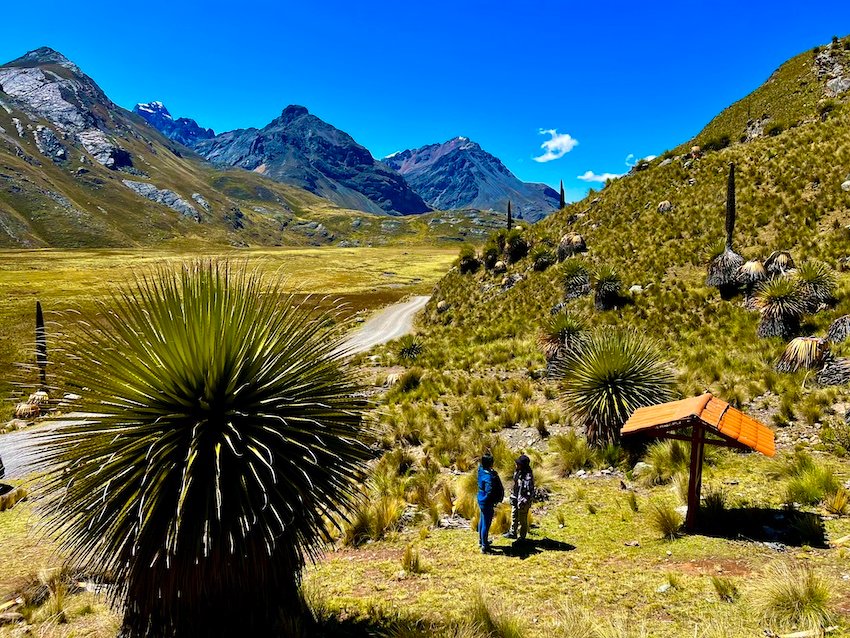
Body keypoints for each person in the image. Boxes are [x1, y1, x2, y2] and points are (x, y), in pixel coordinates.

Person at [477, 452, 503, 553]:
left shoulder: (480, 469)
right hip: (486, 501)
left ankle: (481, 540)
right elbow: (489, 490)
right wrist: (492, 500)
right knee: (486, 523)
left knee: (482, 519)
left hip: (480, 497)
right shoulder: (488, 477)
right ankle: (484, 546)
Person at [503, 454, 534, 542]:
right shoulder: (518, 472)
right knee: (514, 515)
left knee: (522, 519)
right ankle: (513, 533)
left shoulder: (527, 477)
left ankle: (522, 537)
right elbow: (515, 483)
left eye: (518, 464)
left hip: (523, 502)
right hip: (516, 498)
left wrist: (523, 502)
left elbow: (527, 492)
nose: (516, 465)